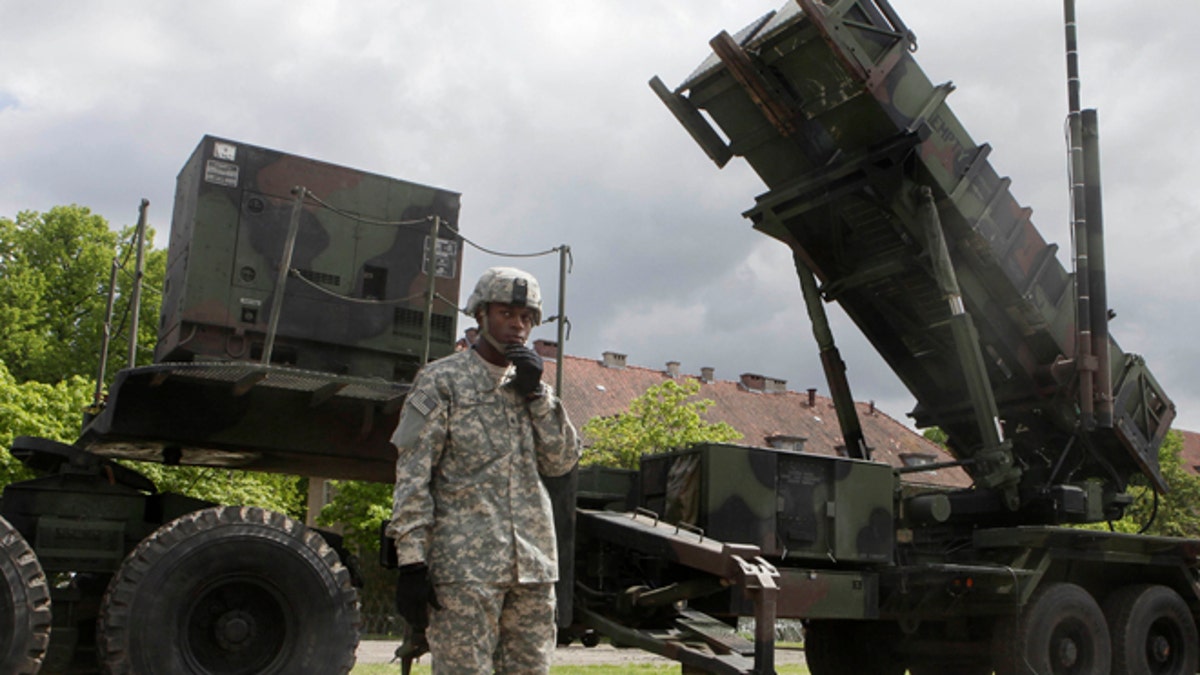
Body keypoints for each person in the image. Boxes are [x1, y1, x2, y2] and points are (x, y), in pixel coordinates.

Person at [387, 266, 580, 674]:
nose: (517, 325)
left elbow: (562, 461)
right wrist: (412, 562)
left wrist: (537, 396)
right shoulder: (441, 382)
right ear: (481, 314)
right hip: (465, 571)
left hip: (531, 570)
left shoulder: (534, 390)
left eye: (526, 317)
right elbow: (412, 476)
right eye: (507, 313)